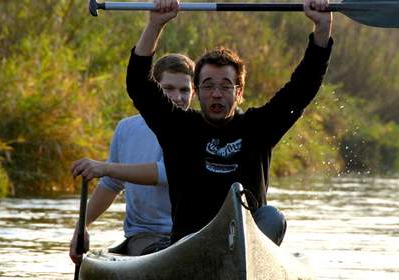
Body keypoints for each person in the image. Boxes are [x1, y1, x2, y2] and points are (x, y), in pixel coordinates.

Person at [126, 0, 333, 246]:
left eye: (225, 86)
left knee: (272, 217)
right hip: (189, 246)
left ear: (239, 92)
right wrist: (155, 24)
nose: (216, 94)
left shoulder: (260, 127)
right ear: (197, 91)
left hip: (246, 245)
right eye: (208, 86)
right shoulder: (177, 127)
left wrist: (322, 30)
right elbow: (139, 86)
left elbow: (303, 88)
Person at [69, 53, 196, 263]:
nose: (178, 97)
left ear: (194, 93)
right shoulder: (126, 128)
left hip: (192, 235)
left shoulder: (197, 128)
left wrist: (106, 167)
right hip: (146, 237)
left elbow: (167, 174)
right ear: (155, 90)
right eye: (168, 89)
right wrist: (81, 227)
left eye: (185, 90)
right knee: (160, 253)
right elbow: (111, 185)